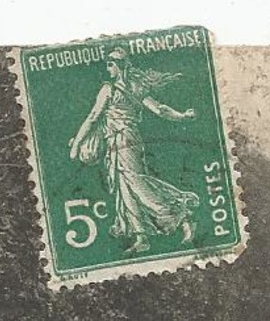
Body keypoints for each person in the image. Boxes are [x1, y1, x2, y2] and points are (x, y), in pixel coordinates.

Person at [69, 48, 200, 254]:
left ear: (119, 66)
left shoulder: (109, 89)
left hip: (124, 141)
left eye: (110, 65)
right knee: (125, 188)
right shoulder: (137, 88)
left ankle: (181, 213)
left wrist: (77, 143)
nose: (108, 69)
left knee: (137, 183)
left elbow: (94, 116)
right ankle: (141, 237)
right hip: (120, 141)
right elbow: (160, 109)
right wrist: (182, 116)